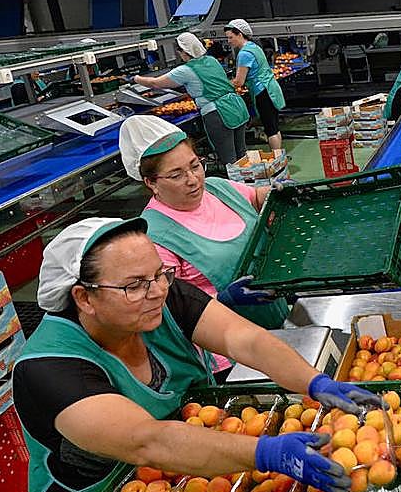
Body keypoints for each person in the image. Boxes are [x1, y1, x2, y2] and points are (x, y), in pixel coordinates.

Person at [13, 217, 379, 492]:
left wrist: (314, 382)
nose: (155, 291)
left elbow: (243, 339)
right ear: (84, 297)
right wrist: (268, 452)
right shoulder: (48, 368)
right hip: (98, 487)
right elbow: (146, 441)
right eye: (133, 285)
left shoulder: (159, 300)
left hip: (187, 452)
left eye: (159, 275)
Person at [119, 115, 289, 345]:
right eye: (176, 175)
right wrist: (223, 299)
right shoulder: (154, 237)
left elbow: (256, 198)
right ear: (151, 183)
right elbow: (168, 308)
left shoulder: (217, 188)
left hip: (277, 317)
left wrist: (276, 193)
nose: (193, 180)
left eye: (195, 166)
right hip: (226, 347)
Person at [129, 33, 249, 167]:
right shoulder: (211, 60)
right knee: (242, 155)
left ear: (185, 52)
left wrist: (135, 79)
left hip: (219, 113)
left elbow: (155, 83)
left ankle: (235, 186)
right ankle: (248, 184)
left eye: (179, 51)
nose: (179, 54)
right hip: (236, 107)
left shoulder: (185, 70)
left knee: (229, 160)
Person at [225, 19, 286, 152]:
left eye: (231, 37)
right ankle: (279, 157)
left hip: (262, 92)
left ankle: (277, 161)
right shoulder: (254, 47)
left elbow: (239, 82)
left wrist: (222, 84)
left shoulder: (244, 54)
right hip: (270, 88)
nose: (229, 41)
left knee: (271, 129)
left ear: (240, 34)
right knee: (274, 126)